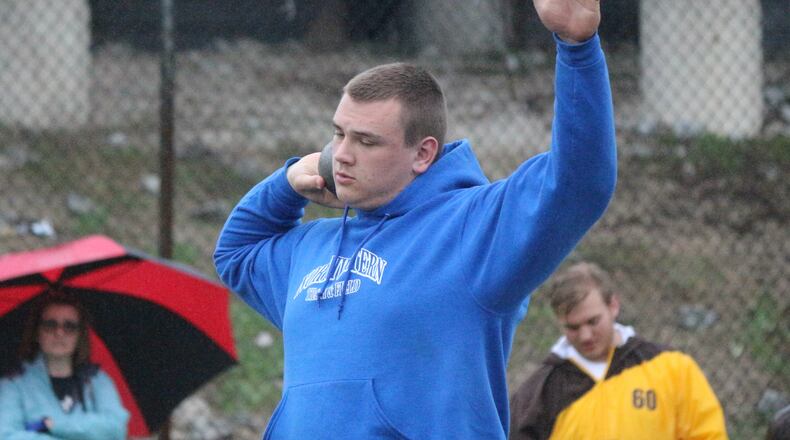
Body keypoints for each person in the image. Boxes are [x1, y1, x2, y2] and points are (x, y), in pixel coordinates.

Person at [214, 0, 616, 437]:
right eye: (338, 134)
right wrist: (286, 186)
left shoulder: (472, 231)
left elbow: (579, 183)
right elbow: (236, 253)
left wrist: (577, 47)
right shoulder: (311, 247)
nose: (342, 155)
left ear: (423, 153)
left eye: (366, 141)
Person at [509, 262, 728, 440]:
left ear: (613, 306)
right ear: (559, 322)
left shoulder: (671, 368)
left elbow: (708, 434)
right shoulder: (540, 393)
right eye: (573, 327)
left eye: (593, 321)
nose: (585, 335)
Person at [0, 294, 129, 439]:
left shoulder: (97, 380)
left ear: (79, 335)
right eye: (50, 325)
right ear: (37, 332)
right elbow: (6, 435)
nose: (59, 333)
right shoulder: (13, 383)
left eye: (69, 326)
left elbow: (116, 429)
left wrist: (53, 425)